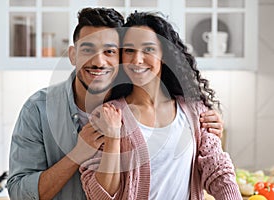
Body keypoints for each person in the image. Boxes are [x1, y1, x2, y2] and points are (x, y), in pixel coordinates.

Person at [7, 7, 225, 200]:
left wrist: (206, 127)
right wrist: (78, 154)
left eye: (110, 51)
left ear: (120, 57)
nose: (99, 61)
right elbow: (19, 192)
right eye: (87, 50)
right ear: (72, 55)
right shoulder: (39, 108)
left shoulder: (134, 107)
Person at [79, 11, 242, 199]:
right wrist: (113, 138)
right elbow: (100, 194)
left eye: (148, 49)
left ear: (164, 54)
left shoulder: (195, 111)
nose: (137, 60)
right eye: (129, 50)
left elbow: (218, 171)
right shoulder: (107, 115)